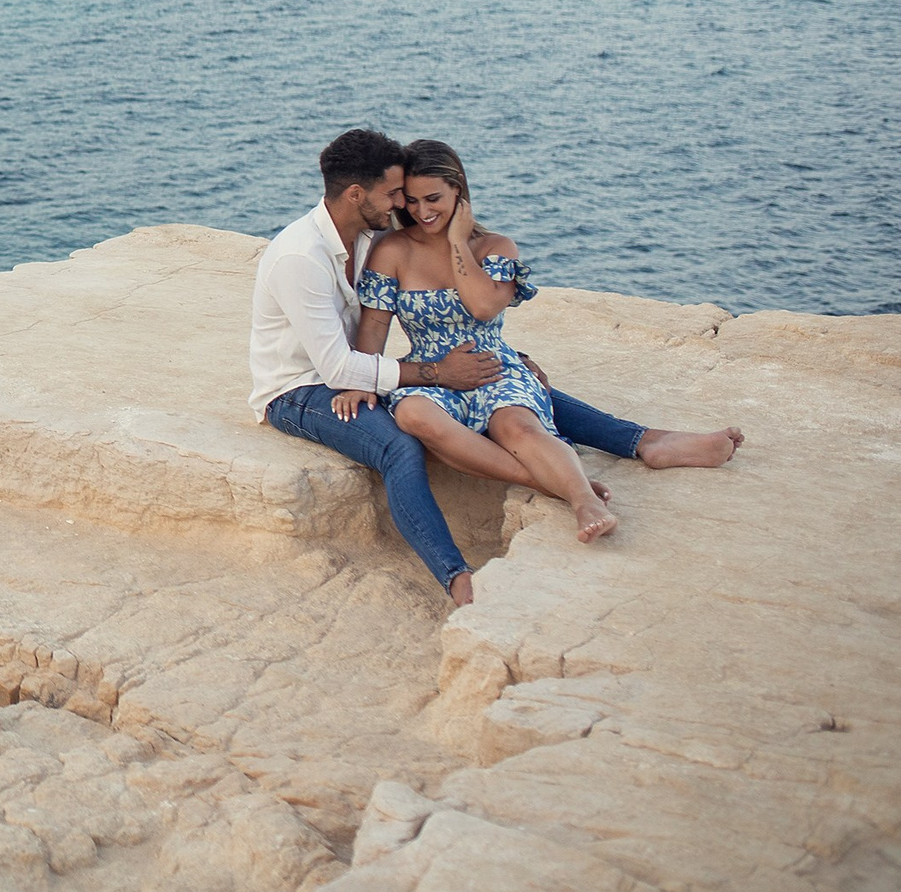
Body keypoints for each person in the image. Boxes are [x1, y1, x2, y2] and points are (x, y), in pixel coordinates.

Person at [250, 129, 740, 605]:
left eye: (424, 197)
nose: (407, 207)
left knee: (514, 408)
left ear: (460, 194)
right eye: (398, 195)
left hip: (443, 364)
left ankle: (645, 443)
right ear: (358, 195)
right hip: (304, 386)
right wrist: (422, 374)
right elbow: (348, 360)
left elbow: (482, 312)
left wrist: (463, 259)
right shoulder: (311, 257)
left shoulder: (366, 234)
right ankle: (531, 506)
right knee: (405, 436)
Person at [358, 139, 742, 548]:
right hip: (429, 373)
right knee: (415, 417)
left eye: (433, 198)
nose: (421, 211)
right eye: (412, 202)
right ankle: (560, 479)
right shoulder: (393, 250)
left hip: (493, 367)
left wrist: (457, 242)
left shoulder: (494, 247)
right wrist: (360, 377)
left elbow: (484, 306)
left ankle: (585, 503)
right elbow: (375, 326)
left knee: (518, 427)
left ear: (459, 191)